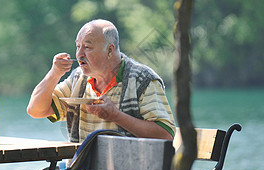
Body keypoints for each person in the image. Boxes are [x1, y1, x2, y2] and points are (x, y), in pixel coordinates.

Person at [27, 19, 175, 144]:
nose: (79, 54)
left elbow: (165, 135)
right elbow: (36, 110)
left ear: (110, 50)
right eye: (78, 46)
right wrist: (54, 73)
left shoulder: (143, 80)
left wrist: (116, 116)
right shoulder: (78, 78)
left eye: (87, 47)